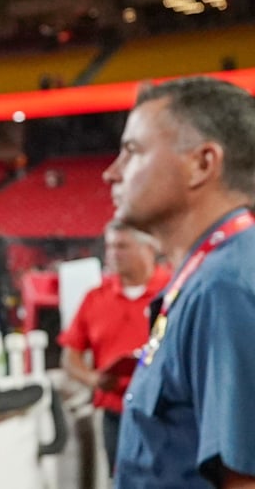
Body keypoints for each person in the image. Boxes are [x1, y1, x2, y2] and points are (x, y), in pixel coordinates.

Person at [103, 76, 255, 487]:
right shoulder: (214, 275)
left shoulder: (224, 287)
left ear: (203, 164)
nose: (110, 173)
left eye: (132, 151)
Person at [59, 219, 170, 475]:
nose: (113, 254)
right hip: (116, 413)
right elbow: (70, 355)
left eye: (122, 246)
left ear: (148, 249)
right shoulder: (95, 297)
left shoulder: (172, 289)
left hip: (166, 412)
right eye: (110, 247)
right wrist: (93, 379)